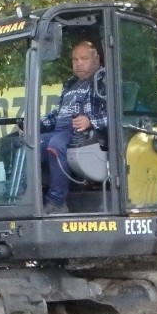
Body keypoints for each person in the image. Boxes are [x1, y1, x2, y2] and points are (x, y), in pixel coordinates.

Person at [40, 41, 107, 214]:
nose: (78, 63)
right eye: (75, 59)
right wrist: (34, 125)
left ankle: (57, 202)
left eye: (84, 58)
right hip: (60, 130)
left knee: (56, 144)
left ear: (96, 58)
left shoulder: (104, 79)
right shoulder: (71, 83)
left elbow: (117, 114)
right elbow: (57, 115)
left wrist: (90, 121)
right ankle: (22, 197)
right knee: (29, 143)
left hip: (83, 135)